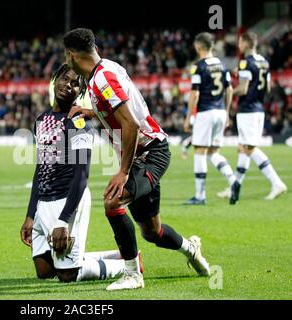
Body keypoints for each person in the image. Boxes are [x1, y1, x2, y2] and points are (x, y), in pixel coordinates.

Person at [63, 28, 210, 291]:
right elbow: (118, 111)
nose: (66, 61)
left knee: (112, 200)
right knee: (152, 231)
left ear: (72, 55)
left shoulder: (102, 79)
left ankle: (133, 274)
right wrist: (89, 112)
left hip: (150, 152)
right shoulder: (107, 69)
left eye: (66, 56)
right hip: (144, 153)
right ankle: (191, 248)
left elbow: (130, 124)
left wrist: (122, 171)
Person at [20, 64, 130, 283]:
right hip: (44, 202)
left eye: (75, 84)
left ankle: (125, 265)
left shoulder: (79, 123)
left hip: (68, 199)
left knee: (68, 275)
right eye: (65, 79)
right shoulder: (41, 120)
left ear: (80, 92)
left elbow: (81, 175)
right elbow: (39, 169)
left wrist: (63, 220)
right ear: (55, 79)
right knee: (44, 271)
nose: (67, 86)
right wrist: (31, 214)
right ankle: (117, 256)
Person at [217, 32, 287, 200]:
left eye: (240, 42)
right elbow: (268, 88)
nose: (239, 45)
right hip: (259, 108)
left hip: (247, 109)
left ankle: (277, 183)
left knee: (249, 148)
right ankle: (235, 186)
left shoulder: (245, 62)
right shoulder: (264, 61)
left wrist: (229, 92)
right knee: (243, 148)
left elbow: (244, 88)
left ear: (246, 43)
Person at [183, 32, 240, 205]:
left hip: (206, 113)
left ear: (197, 46)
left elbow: (195, 93)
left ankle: (200, 196)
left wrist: (188, 117)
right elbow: (229, 90)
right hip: (221, 112)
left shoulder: (198, 66)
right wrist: (227, 112)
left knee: (199, 152)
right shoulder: (222, 65)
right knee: (214, 152)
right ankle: (233, 181)